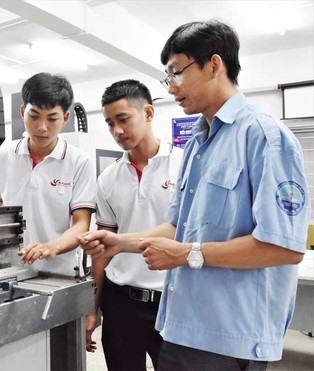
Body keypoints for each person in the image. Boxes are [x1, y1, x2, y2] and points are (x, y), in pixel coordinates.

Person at [79, 20, 309, 371]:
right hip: (182, 326)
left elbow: (285, 247)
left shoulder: (264, 137)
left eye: (176, 73)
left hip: (229, 334)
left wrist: (187, 255)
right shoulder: (198, 145)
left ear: (214, 64)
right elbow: (178, 227)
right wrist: (119, 243)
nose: (171, 87)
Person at [85, 79, 183, 371]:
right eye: (109, 123)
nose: (117, 131)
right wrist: (93, 309)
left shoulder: (184, 164)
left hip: (173, 301)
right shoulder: (108, 179)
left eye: (123, 119)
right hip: (121, 302)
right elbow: (103, 251)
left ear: (149, 113)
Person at [0, 72, 96, 276]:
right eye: (34, 116)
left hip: (59, 274)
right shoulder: (1, 158)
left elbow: (81, 223)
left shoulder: (79, 163)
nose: (42, 127)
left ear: (65, 118)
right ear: (22, 112)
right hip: (10, 272)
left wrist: (51, 247)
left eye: (52, 118)